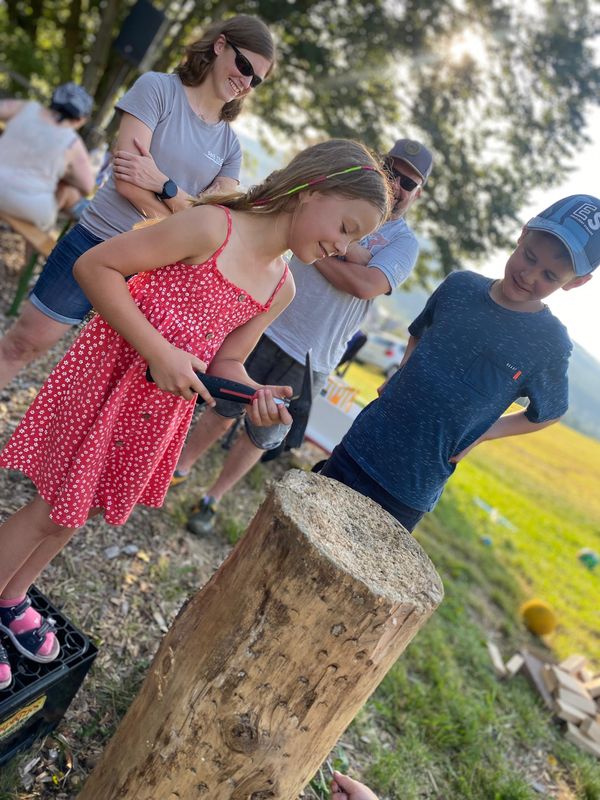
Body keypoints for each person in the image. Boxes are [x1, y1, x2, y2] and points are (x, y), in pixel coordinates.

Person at [0, 139, 390, 688]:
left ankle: (13, 595)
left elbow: (227, 357)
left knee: (80, 508)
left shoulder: (282, 285)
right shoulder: (213, 227)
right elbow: (97, 267)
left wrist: (252, 391)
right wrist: (158, 350)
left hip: (157, 408)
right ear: (312, 190)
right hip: (113, 379)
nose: (344, 247)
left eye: (357, 240)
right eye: (347, 227)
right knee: (51, 507)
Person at [0, 14, 275, 391]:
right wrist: (185, 213)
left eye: (255, 79)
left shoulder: (230, 148)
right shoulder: (157, 90)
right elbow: (129, 183)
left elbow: (213, 228)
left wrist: (164, 184)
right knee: (21, 345)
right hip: (96, 241)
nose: (245, 82)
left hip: (154, 277)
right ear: (220, 44)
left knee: (92, 387)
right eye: (244, 66)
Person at [173, 138, 432, 536]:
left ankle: (212, 498)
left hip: (315, 353)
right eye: (392, 171)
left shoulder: (403, 243)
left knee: (262, 431)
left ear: (419, 193)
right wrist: (346, 256)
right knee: (222, 405)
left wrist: (318, 248)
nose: (397, 185)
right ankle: (180, 467)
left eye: (409, 183)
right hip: (267, 321)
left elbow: (366, 285)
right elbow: (318, 244)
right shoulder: (347, 192)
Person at [317, 194, 600, 533]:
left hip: (411, 489)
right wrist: (403, 371)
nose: (529, 274)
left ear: (576, 282)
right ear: (523, 234)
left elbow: (548, 413)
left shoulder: (550, 344)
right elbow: (419, 331)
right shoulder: (459, 286)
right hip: (360, 444)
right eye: (529, 256)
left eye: (550, 276)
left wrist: (481, 435)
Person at [0, 82, 95, 230]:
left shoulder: (25, 108)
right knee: (68, 191)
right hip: (28, 206)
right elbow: (87, 186)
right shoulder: (73, 142)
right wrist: (63, 173)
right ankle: (36, 251)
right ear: (80, 119)